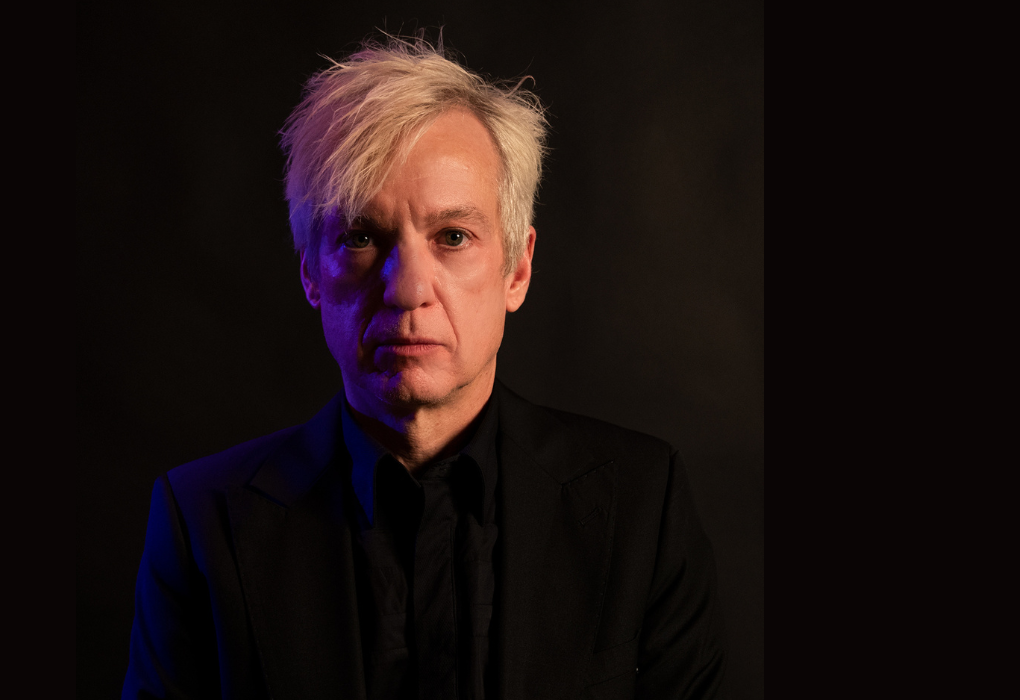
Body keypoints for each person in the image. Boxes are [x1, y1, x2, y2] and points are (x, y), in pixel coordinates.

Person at [123, 35, 724, 700]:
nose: (408, 288)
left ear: (516, 269)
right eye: (359, 237)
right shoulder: (202, 522)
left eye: (453, 237)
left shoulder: (641, 505)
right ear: (309, 274)